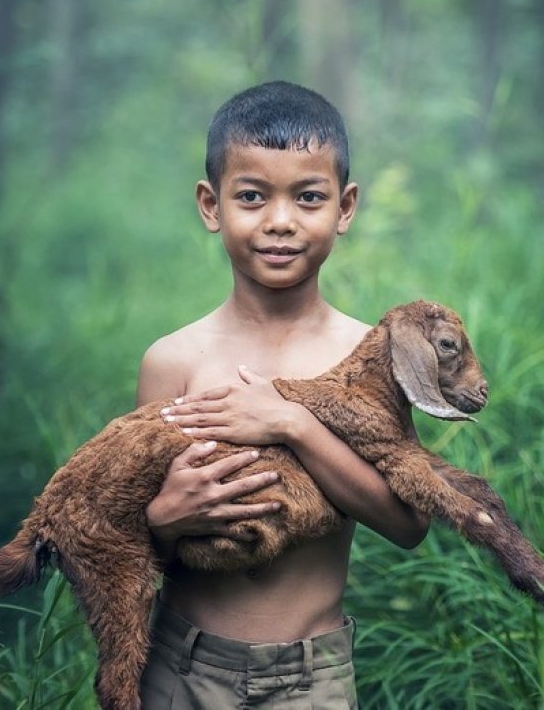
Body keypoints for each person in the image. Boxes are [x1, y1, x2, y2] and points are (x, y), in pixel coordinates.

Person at [135, 81, 428, 708]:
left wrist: (294, 424)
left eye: (308, 197)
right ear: (211, 206)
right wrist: (164, 521)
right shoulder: (174, 360)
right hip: (179, 668)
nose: (280, 221)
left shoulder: (369, 358)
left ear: (344, 208)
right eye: (251, 196)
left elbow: (409, 523)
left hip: (312, 678)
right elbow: (129, 544)